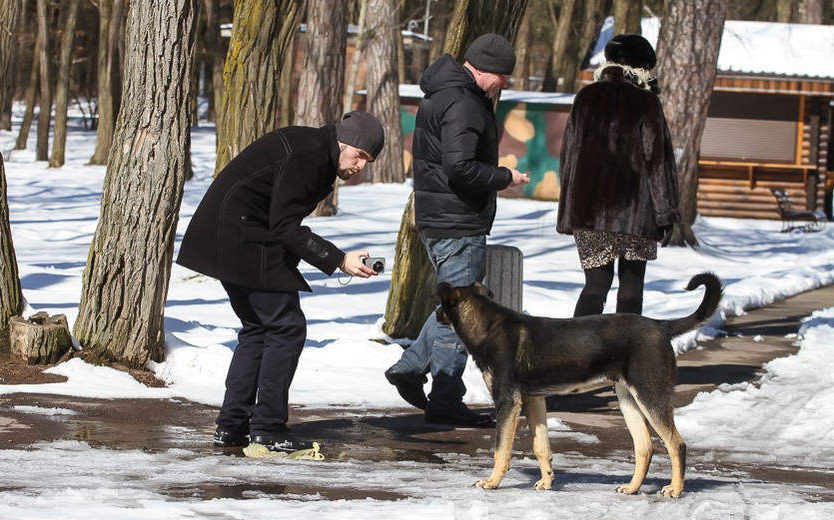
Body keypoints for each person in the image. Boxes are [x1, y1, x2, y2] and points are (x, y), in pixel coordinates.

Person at [177, 111, 385, 450]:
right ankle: (268, 428)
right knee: (286, 328)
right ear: (343, 142)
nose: (361, 165)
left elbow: (279, 219)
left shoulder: (313, 149)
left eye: (368, 161)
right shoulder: (309, 155)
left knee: (259, 329)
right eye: (360, 155)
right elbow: (285, 226)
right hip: (242, 236)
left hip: (231, 235)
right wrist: (338, 259)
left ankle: (232, 426)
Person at [384, 33, 530, 427]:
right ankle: (445, 400)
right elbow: (460, 167)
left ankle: (410, 367)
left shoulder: (445, 93)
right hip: (457, 220)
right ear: (483, 69)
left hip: (441, 217)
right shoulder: (464, 102)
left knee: (455, 304)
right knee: (464, 315)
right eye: (501, 76)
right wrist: (505, 177)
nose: (504, 83)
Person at [556, 33, 680, 317]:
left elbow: (568, 156)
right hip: (635, 214)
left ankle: (580, 344)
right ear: (642, 67)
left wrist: (571, 205)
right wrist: (665, 213)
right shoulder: (646, 102)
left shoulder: (585, 97)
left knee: (595, 286)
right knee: (631, 286)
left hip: (588, 213)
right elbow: (657, 163)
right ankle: (627, 346)